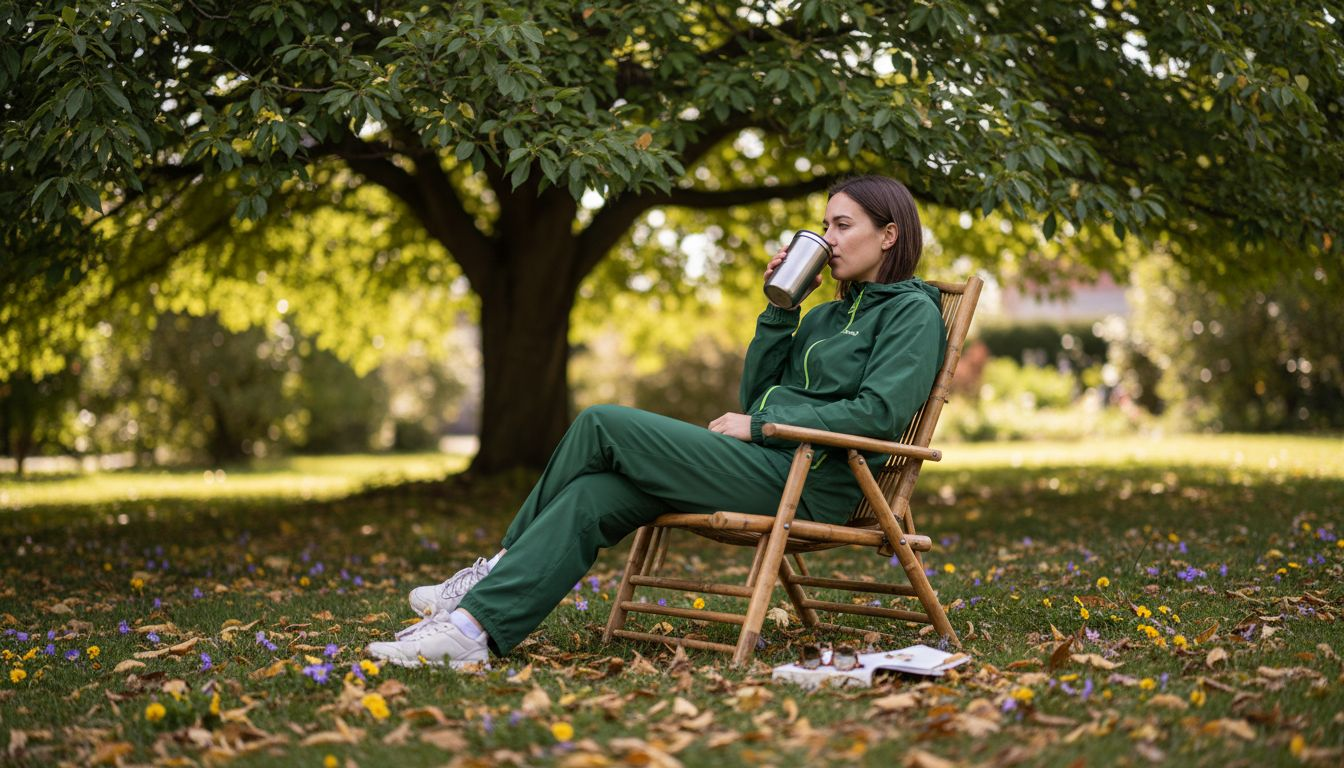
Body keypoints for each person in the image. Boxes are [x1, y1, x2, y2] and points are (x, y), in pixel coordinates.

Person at [366, 175, 946, 668]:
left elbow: (877, 416)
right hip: (766, 464)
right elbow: (757, 394)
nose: (827, 238)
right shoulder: (824, 317)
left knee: (602, 423)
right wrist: (780, 308)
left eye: (842, 225)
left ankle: (495, 568)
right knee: (594, 494)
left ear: (889, 233)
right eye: (825, 225)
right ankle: (473, 632)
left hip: (815, 481)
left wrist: (764, 427)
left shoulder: (913, 313)